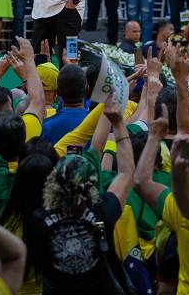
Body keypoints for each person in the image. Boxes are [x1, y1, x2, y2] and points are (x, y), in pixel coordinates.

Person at [27, 97, 135, 294]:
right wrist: (118, 124)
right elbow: (127, 173)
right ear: (92, 186)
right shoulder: (104, 212)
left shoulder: (37, 222)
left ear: (53, 184)